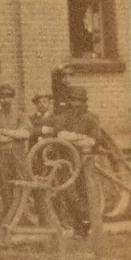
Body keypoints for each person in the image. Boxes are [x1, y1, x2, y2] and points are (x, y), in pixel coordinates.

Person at [54, 86, 100, 237]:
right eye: (73, 100)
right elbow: (59, 134)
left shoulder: (91, 118)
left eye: (78, 101)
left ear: (84, 102)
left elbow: (93, 141)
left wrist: (72, 138)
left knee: (84, 193)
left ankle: (85, 228)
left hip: (85, 161)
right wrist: (79, 137)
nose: (75, 104)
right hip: (68, 161)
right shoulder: (66, 116)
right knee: (68, 193)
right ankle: (78, 225)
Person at [0, 85, 32, 222]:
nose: (5, 100)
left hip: (18, 158)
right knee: (4, 188)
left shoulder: (20, 115)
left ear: (13, 98)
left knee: (21, 186)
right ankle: (9, 219)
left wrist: (4, 132)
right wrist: (15, 135)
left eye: (8, 97)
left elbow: (26, 133)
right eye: (2, 97)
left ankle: (22, 218)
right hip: (2, 159)